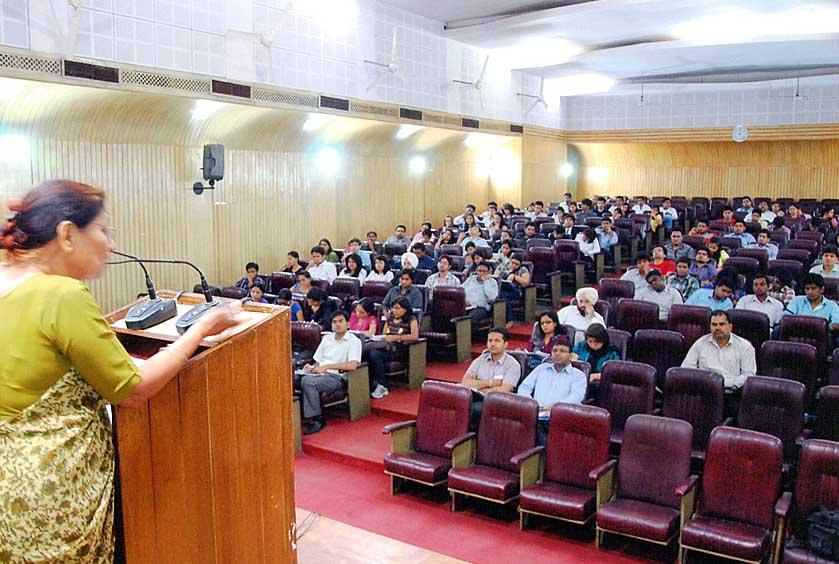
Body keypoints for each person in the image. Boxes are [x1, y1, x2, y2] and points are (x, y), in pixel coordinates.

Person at [0, 180, 239, 561]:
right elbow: (133, 390)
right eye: (103, 230)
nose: (110, 244)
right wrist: (202, 328)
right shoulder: (60, 294)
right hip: (56, 488)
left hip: (11, 484)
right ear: (67, 234)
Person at [299, 310, 362, 435]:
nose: (337, 324)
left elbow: (353, 365)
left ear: (348, 324)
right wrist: (311, 367)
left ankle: (318, 419)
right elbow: (318, 361)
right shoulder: (327, 338)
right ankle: (298, 416)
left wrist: (328, 366)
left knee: (308, 382)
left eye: (341, 321)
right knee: (295, 378)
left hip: (337, 377)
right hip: (320, 374)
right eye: (334, 322)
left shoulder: (354, 341)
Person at [681, 310, 756, 415]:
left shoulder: (745, 347)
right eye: (714, 324)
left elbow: (749, 376)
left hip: (731, 395)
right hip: (703, 394)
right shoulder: (700, 343)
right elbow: (686, 369)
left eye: (722, 324)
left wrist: (724, 384)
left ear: (730, 327)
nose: (717, 328)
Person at [517, 337, 587, 445]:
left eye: (562, 351)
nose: (558, 354)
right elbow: (524, 388)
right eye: (555, 351)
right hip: (534, 413)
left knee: (534, 429)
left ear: (571, 355)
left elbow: (576, 397)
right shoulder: (542, 368)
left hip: (560, 417)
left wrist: (554, 407)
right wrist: (531, 405)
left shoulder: (578, 375)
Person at [461, 327, 521, 427]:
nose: (492, 344)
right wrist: (490, 383)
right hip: (474, 396)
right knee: (453, 403)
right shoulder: (481, 359)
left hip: (497, 402)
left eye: (497, 341)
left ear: (505, 344)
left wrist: (478, 386)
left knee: (472, 409)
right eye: (490, 340)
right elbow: (465, 382)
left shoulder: (513, 365)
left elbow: (504, 390)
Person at [369, 297, 419, 399]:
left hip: (401, 348)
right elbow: (384, 333)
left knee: (375, 354)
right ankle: (371, 382)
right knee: (370, 352)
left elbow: (415, 336)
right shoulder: (390, 317)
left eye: (398, 308)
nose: (395, 311)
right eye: (393, 308)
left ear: (405, 309)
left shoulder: (411, 319)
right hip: (386, 345)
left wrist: (397, 337)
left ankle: (383, 385)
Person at [783, 273, 839, 338]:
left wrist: (824, 327)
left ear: (822, 289)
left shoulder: (832, 305)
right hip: (797, 334)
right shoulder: (797, 300)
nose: (810, 292)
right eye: (807, 289)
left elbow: (836, 323)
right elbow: (785, 317)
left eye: (813, 288)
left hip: (820, 336)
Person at [462, 262, 499, 330]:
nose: (481, 273)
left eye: (484, 271)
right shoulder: (471, 279)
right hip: (467, 306)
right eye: (479, 271)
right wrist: (463, 299)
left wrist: (485, 282)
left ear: (489, 272)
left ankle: (470, 337)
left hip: (481, 308)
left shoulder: (492, 282)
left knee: (470, 319)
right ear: (476, 271)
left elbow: (492, 297)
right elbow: (460, 290)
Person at [497, 255, 530, 327]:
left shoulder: (523, 269)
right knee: (498, 295)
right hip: (501, 289)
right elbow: (495, 276)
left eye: (516, 264)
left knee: (502, 296)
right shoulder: (503, 266)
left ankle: (510, 319)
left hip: (516, 292)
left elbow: (526, 282)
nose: (514, 265)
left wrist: (515, 277)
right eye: (512, 263)